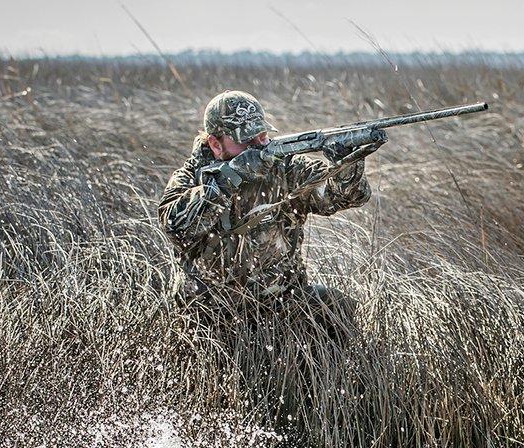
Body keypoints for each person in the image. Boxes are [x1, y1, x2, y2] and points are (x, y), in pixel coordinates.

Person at [158, 90, 382, 329]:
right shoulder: (190, 178)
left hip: (283, 304)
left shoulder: (284, 169)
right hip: (213, 316)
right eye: (247, 141)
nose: (259, 147)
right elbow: (175, 227)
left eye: (262, 136)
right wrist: (231, 178)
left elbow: (345, 197)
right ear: (215, 144)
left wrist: (346, 163)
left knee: (335, 306)